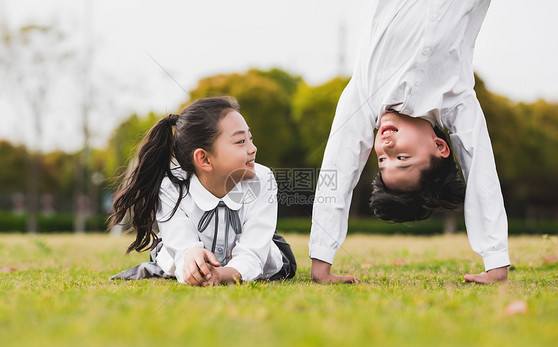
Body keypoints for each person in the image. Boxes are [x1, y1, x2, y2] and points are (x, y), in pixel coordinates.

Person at [309, 0, 510, 284]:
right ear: (440, 147)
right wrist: (496, 262)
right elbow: (481, 172)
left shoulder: (364, 97)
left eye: (381, 160)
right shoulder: (456, 99)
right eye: (402, 159)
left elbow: (337, 170)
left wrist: (321, 265)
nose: (386, 148)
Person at [109, 97, 296, 286]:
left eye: (250, 138)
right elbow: (183, 247)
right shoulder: (171, 186)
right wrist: (192, 259)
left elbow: (253, 252)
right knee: (168, 255)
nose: (253, 148)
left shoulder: (262, 179)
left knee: (278, 258)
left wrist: (224, 274)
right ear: (204, 159)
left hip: (254, 247)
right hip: (183, 246)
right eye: (240, 141)